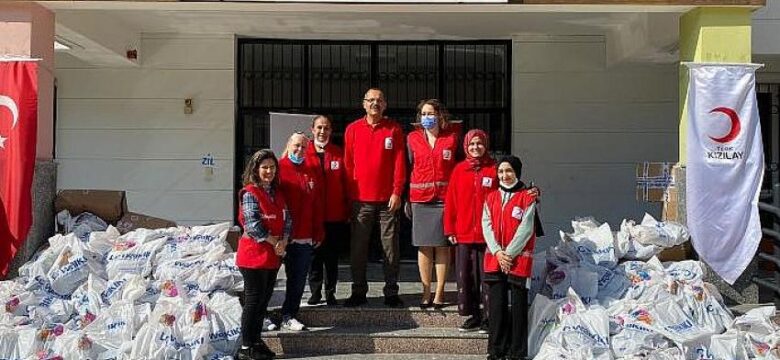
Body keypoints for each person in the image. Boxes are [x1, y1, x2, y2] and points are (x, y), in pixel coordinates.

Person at [343, 88, 406, 308]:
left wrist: (397, 191)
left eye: (379, 100)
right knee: (358, 248)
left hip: (387, 200)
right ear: (364, 104)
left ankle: (391, 291)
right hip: (360, 201)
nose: (375, 104)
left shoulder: (394, 129)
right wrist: (351, 195)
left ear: (385, 105)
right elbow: (348, 165)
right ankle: (358, 291)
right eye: (371, 100)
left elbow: (400, 162)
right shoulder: (352, 129)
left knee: (390, 248)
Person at [235, 149, 291, 360]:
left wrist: (284, 240)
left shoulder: (277, 193)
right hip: (253, 256)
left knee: (263, 301)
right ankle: (246, 346)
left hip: (272, 256)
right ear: (256, 170)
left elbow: (288, 219)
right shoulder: (250, 193)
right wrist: (275, 242)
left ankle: (257, 341)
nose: (269, 171)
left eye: (272, 167)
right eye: (264, 167)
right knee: (253, 300)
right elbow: (252, 224)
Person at [481, 156, 538, 360]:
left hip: (519, 261)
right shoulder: (491, 197)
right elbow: (486, 226)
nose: (505, 176)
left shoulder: (527, 197)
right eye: (501, 172)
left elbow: (526, 228)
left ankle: (517, 352)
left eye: (509, 171)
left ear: (517, 172)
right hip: (496, 259)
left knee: (518, 307)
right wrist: (498, 252)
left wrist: (509, 254)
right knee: (496, 308)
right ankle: (496, 350)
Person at [405, 99, 459, 309]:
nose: (427, 117)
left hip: (444, 199)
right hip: (420, 198)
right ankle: (426, 290)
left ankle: (440, 292)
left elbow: (457, 166)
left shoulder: (452, 139)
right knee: (424, 246)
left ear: (440, 116)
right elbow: (408, 165)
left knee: (442, 246)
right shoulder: (412, 138)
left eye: (431, 113)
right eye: (424, 114)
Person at [443, 129, 496, 332]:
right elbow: (451, 202)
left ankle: (490, 317)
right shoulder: (459, 170)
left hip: (488, 235)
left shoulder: (494, 169)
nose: (476, 147)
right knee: (466, 276)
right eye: (472, 144)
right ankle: (472, 315)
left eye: (479, 144)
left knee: (488, 277)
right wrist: (450, 229)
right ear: (466, 146)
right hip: (464, 233)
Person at [278, 132, 325, 331]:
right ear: (288, 145)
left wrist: (318, 231)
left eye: (304, 147)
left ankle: (289, 315)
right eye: (296, 145)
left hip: (304, 236)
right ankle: (262, 316)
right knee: (268, 282)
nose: (299, 150)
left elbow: (316, 205)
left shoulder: (311, 171)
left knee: (297, 281)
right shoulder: (277, 169)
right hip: (278, 238)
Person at [305, 115, 349, 306]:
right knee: (314, 256)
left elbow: (346, 183)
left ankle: (330, 292)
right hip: (312, 215)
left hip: (334, 214)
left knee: (331, 256)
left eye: (327, 128)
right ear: (312, 130)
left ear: (331, 131)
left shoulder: (339, 153)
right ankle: (315, 292)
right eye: (319, 128)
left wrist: (347, 210)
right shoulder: (303, 153)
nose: (323, 131)